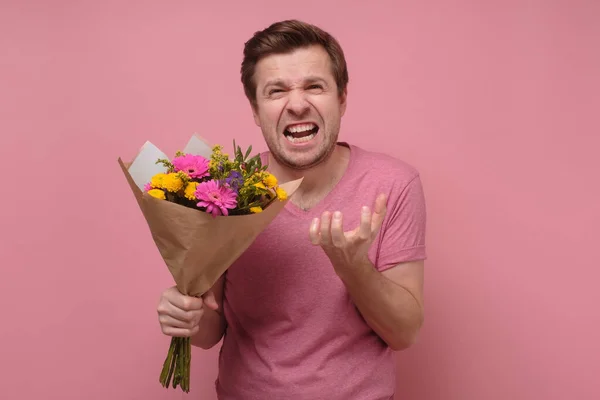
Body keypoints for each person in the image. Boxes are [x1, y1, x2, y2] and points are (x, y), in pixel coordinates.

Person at [156, 19, 427, 400]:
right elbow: (211, 330)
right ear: (255, 109)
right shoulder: (224, 192)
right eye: (276, 91)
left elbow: (404, 333)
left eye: (314, 86)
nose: (297, 104)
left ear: (342, 98)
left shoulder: (394, 184)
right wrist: (188, 318)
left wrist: (353, 266)